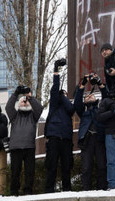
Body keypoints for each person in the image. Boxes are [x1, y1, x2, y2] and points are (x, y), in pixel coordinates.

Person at [5, 84, 44, 196]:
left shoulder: (34, 116)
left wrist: (29, 97)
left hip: (29, 147)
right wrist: (16, 94)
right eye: (22, 101)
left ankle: (28, 191)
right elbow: (8, 107)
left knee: (29, 172)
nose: (25, 102)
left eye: (26, 102)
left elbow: (39, 108)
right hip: (15, 148)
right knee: (15, 172)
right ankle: (13, 192)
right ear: (18, 104)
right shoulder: (14, 116)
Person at [44, 63, 75, 193]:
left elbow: (71, 109)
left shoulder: (68, 108)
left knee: (66, 166)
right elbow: (54, 90)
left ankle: (67, 189)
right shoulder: (54, 106)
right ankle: (49, 190)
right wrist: (56, 71)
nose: (63, 95)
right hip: (54, 138)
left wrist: (63, 96)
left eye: (65, 94)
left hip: (66, 139)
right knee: (52, 166)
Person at [74, 73, 107, 190]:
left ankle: (101, 189)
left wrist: (99, 83)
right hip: (87, 140)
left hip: (99, 139)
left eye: (92, 96)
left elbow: (106, 96)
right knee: (86, 167)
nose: (89, 97)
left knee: (102, 166)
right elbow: (77, 102)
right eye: (87, 97)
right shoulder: (83, 111)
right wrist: (82, 85)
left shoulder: (101, 108)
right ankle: (86, 189)